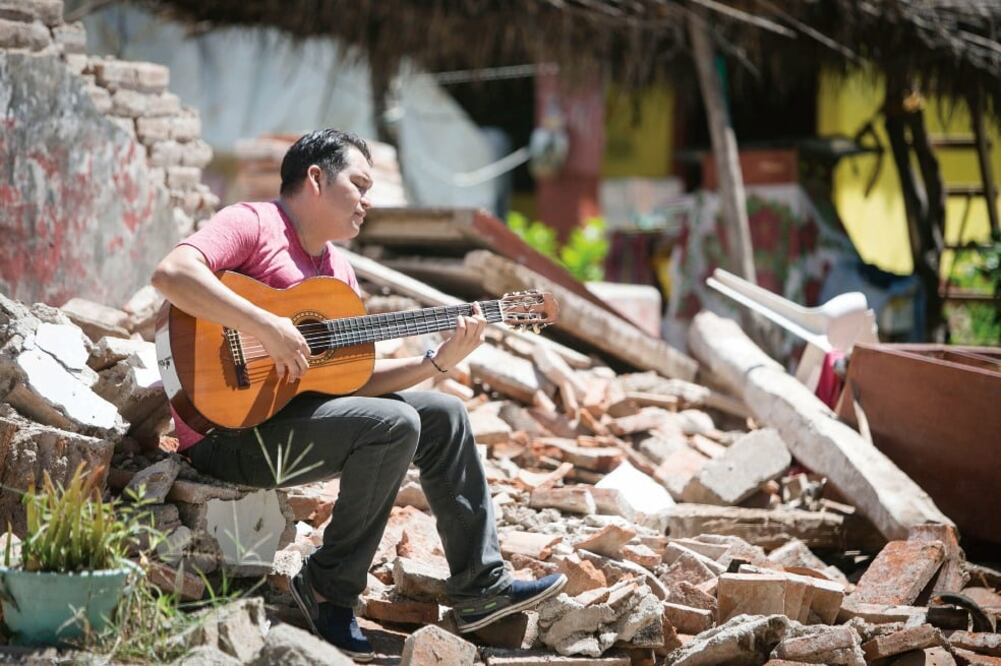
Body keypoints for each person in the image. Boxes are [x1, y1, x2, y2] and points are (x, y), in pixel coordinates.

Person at [151, 129, 566, 661]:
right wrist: (269, 326)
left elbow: (349, 384)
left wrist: (436, 362)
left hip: (290, 421)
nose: (369, 200)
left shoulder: (339, 275)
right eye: (360, 184)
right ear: (316, 179)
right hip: (225, 433)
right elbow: (172, 274)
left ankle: (479, 589)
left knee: (443, 413)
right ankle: (328, 588)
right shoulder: (252, 224)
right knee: (394, 426)